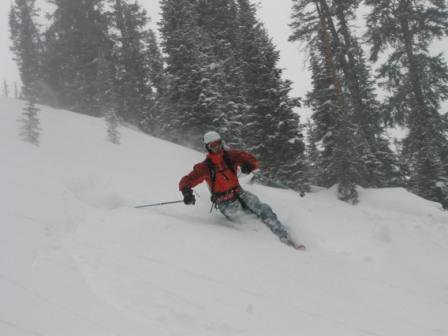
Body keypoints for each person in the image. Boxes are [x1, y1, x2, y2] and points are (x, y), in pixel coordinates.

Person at [179, 131, 305, 250]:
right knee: (248, 220)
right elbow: (187, 180)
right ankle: (268, 242)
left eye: (218, 143)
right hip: (225, 202)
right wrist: (187, 192)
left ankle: (284, 235)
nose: (217, 148)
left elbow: (249, 158)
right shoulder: (204, 167)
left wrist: (248, 164)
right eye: (213, 146)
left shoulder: (231, 156)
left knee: (262, 209)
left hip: (240, 193)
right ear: (208, 147)